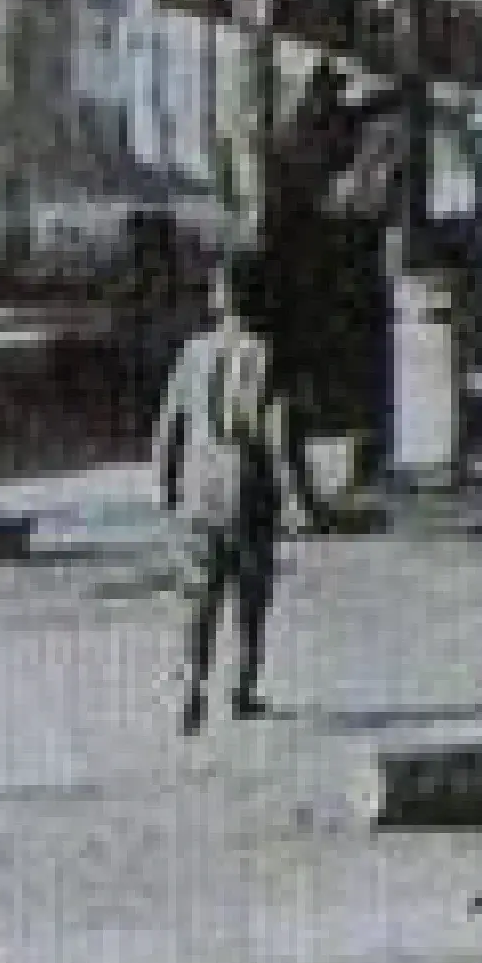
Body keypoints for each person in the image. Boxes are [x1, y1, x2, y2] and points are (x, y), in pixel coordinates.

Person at [151, 250, 330, 735]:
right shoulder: (264, 356)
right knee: (250, 595)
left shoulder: (192, 354)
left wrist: (167, 486)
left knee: (198, 595)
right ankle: (241, 689)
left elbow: (169, 429)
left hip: (198, 490)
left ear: (219, 298)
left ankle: (190, 690)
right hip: (247, 489)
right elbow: (279, 435)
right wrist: (301, 499)